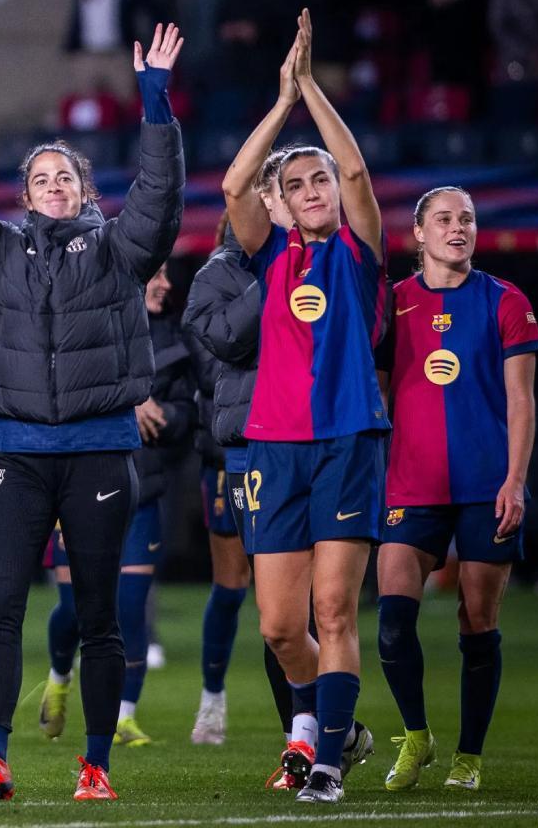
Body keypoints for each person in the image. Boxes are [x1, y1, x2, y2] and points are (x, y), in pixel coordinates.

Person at [0, 23, 185, 803]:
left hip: (98, 449)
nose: (55, 186)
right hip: (17, 452)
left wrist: (155, 100)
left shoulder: (122, 251)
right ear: (23, 198)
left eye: (67, 177)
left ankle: (95, 765)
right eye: (42, 178)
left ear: (87, 191)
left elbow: (158, 198)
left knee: (98, 613)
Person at [222, 10, 383, 804]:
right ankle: (341, 727)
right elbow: (230, 185)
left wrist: (314, 91)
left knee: (333, 607)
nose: (314, 190)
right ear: (281, 203)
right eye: (297, 184)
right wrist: (280, 105)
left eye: (317, 180)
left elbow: (356, 176)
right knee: (283, 628)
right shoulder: (270, 254)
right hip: (274, 448)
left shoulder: (358, 252)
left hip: (349, 440)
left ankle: (323, 759)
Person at [376, 187, 538, 793]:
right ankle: (416, 736)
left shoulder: (506, 301)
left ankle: (468, 757)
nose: (457, 228)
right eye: (442, 219)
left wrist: (515, 482)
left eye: (466, 219)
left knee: (477, 625)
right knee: (392, 623)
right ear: (417, 234)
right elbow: (381, 395)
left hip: (484, 487)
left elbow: (521, 400)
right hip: (409, 486)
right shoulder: (392, 305)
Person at [41, 263, 195, 750]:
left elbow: (189, 416)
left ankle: (124, 716)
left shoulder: (173, 341)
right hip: (80, 489)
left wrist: (165, 414)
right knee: (73, 609)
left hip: (142, 489)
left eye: (168, 275)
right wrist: (126, 399)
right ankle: (60, 673)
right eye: (157, 275)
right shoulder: (85, 330)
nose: (166, 284)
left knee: (129, 608)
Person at [182, 173, 299, 754]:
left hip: (316, 446)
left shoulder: (327, 259)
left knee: (315, 606)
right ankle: (213, 699)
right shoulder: (220, 277)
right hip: (238, 454)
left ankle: (314, 735)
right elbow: (216, 362)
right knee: (241, 589)